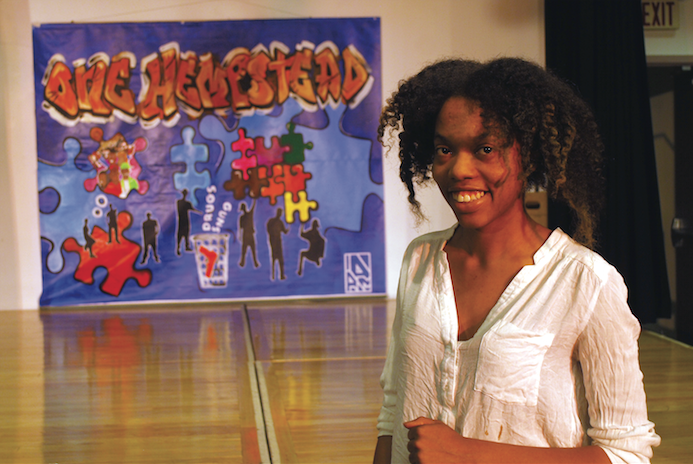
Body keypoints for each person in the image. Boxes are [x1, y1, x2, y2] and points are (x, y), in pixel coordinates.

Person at [374, 58, 660, 464]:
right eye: (444, 149)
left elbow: (626, 454)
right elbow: (393, 408)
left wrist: (467, 453)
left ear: (529, 154)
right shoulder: (418, 260)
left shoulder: (587, 283)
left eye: (485, 148)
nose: (459, 169)